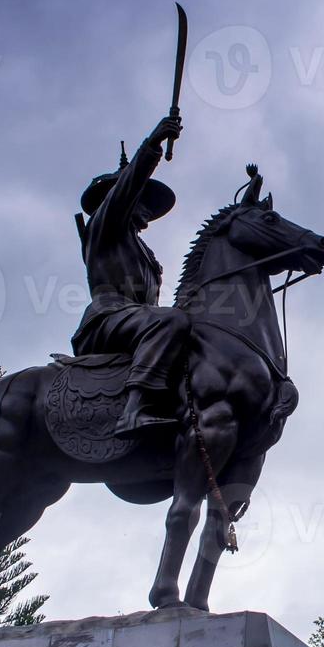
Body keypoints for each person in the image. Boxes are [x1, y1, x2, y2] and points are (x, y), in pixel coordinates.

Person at [72, 113, 188, 438]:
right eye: (142, 200)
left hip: (134, 323)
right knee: (171, 322)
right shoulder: (106, 227)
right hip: (106, 321)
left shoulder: (143, 253)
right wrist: (152, 144)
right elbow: (124, 191)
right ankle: (135, 410)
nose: (148, 211)